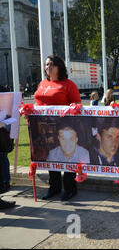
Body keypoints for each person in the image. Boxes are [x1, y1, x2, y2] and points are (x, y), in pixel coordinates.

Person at [34, 55, 81, 201]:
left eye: (52, 64)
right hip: (44, 128)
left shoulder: (68, 84)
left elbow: (77, 105)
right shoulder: (42, 84)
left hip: (64, 128)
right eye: (47, 64)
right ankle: (54, 188)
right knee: (51, 157)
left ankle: (70, 189)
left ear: (59, 67)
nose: (48, 67)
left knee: (67, 158)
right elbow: (37, 104)